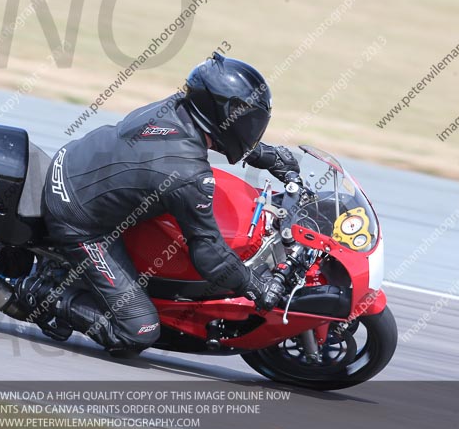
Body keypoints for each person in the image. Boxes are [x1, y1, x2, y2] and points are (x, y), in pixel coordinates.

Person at [16, 52, 300, 354]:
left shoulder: (176, 107)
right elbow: (210, 257)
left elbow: (214, 132)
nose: (252, 129)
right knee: (138, 331)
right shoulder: (188, 174)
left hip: (72, 162)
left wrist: (262, 154)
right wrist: (255, 287)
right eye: (248, 122)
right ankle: (42, 293)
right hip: (78, 220)